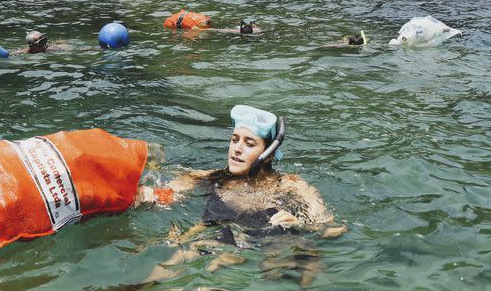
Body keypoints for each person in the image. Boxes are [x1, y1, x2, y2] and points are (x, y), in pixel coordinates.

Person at [137, 105, 346, 286]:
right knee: (175, 260)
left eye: (249, 143)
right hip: (215, 242)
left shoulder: (291, 185)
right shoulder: (209, 178)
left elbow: (331, 227)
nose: (237, 149)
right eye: (234, 140)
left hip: (269, 253)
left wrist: (300, 223)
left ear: (269, 154)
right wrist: (147, 195)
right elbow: (164, 193)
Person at [9, 30, 75, 55]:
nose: (45, 45)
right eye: (42, 42)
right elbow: (10, 54)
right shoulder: (24, 52)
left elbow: (74, 49)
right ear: (32, 46)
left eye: (44, 40)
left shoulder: (51, 48)